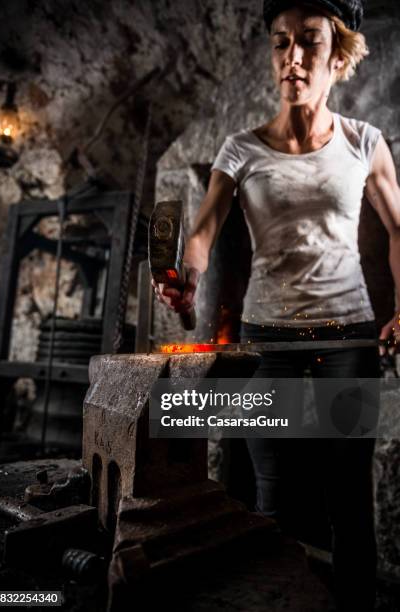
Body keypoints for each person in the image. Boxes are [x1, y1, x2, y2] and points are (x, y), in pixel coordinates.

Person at [153, 1, 400, 609]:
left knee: (348, 501)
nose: (291, 57)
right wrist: (186, 274)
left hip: (348, 344)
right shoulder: (240, 149)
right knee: (272, 504)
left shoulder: (366, 141)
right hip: (271, 347)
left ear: (338, 56)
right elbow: (205, 231)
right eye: (280, 43)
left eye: (308, 42)